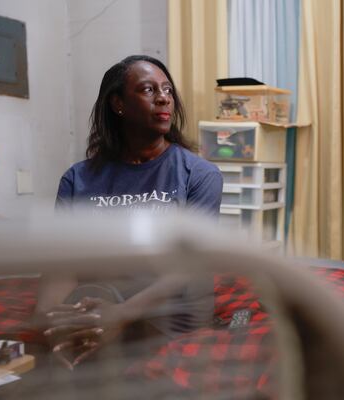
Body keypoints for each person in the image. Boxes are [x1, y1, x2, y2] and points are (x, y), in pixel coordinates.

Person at [37, 55, 223, 370]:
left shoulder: (199, 174)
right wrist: (48, 320)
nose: (164, 97)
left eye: (167, 90)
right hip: (96, 301)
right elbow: (61, 266)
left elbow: (190, 267)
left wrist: (121, 315)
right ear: (118, 104)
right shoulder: (77, 179)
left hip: (167, 311)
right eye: (148, 89)